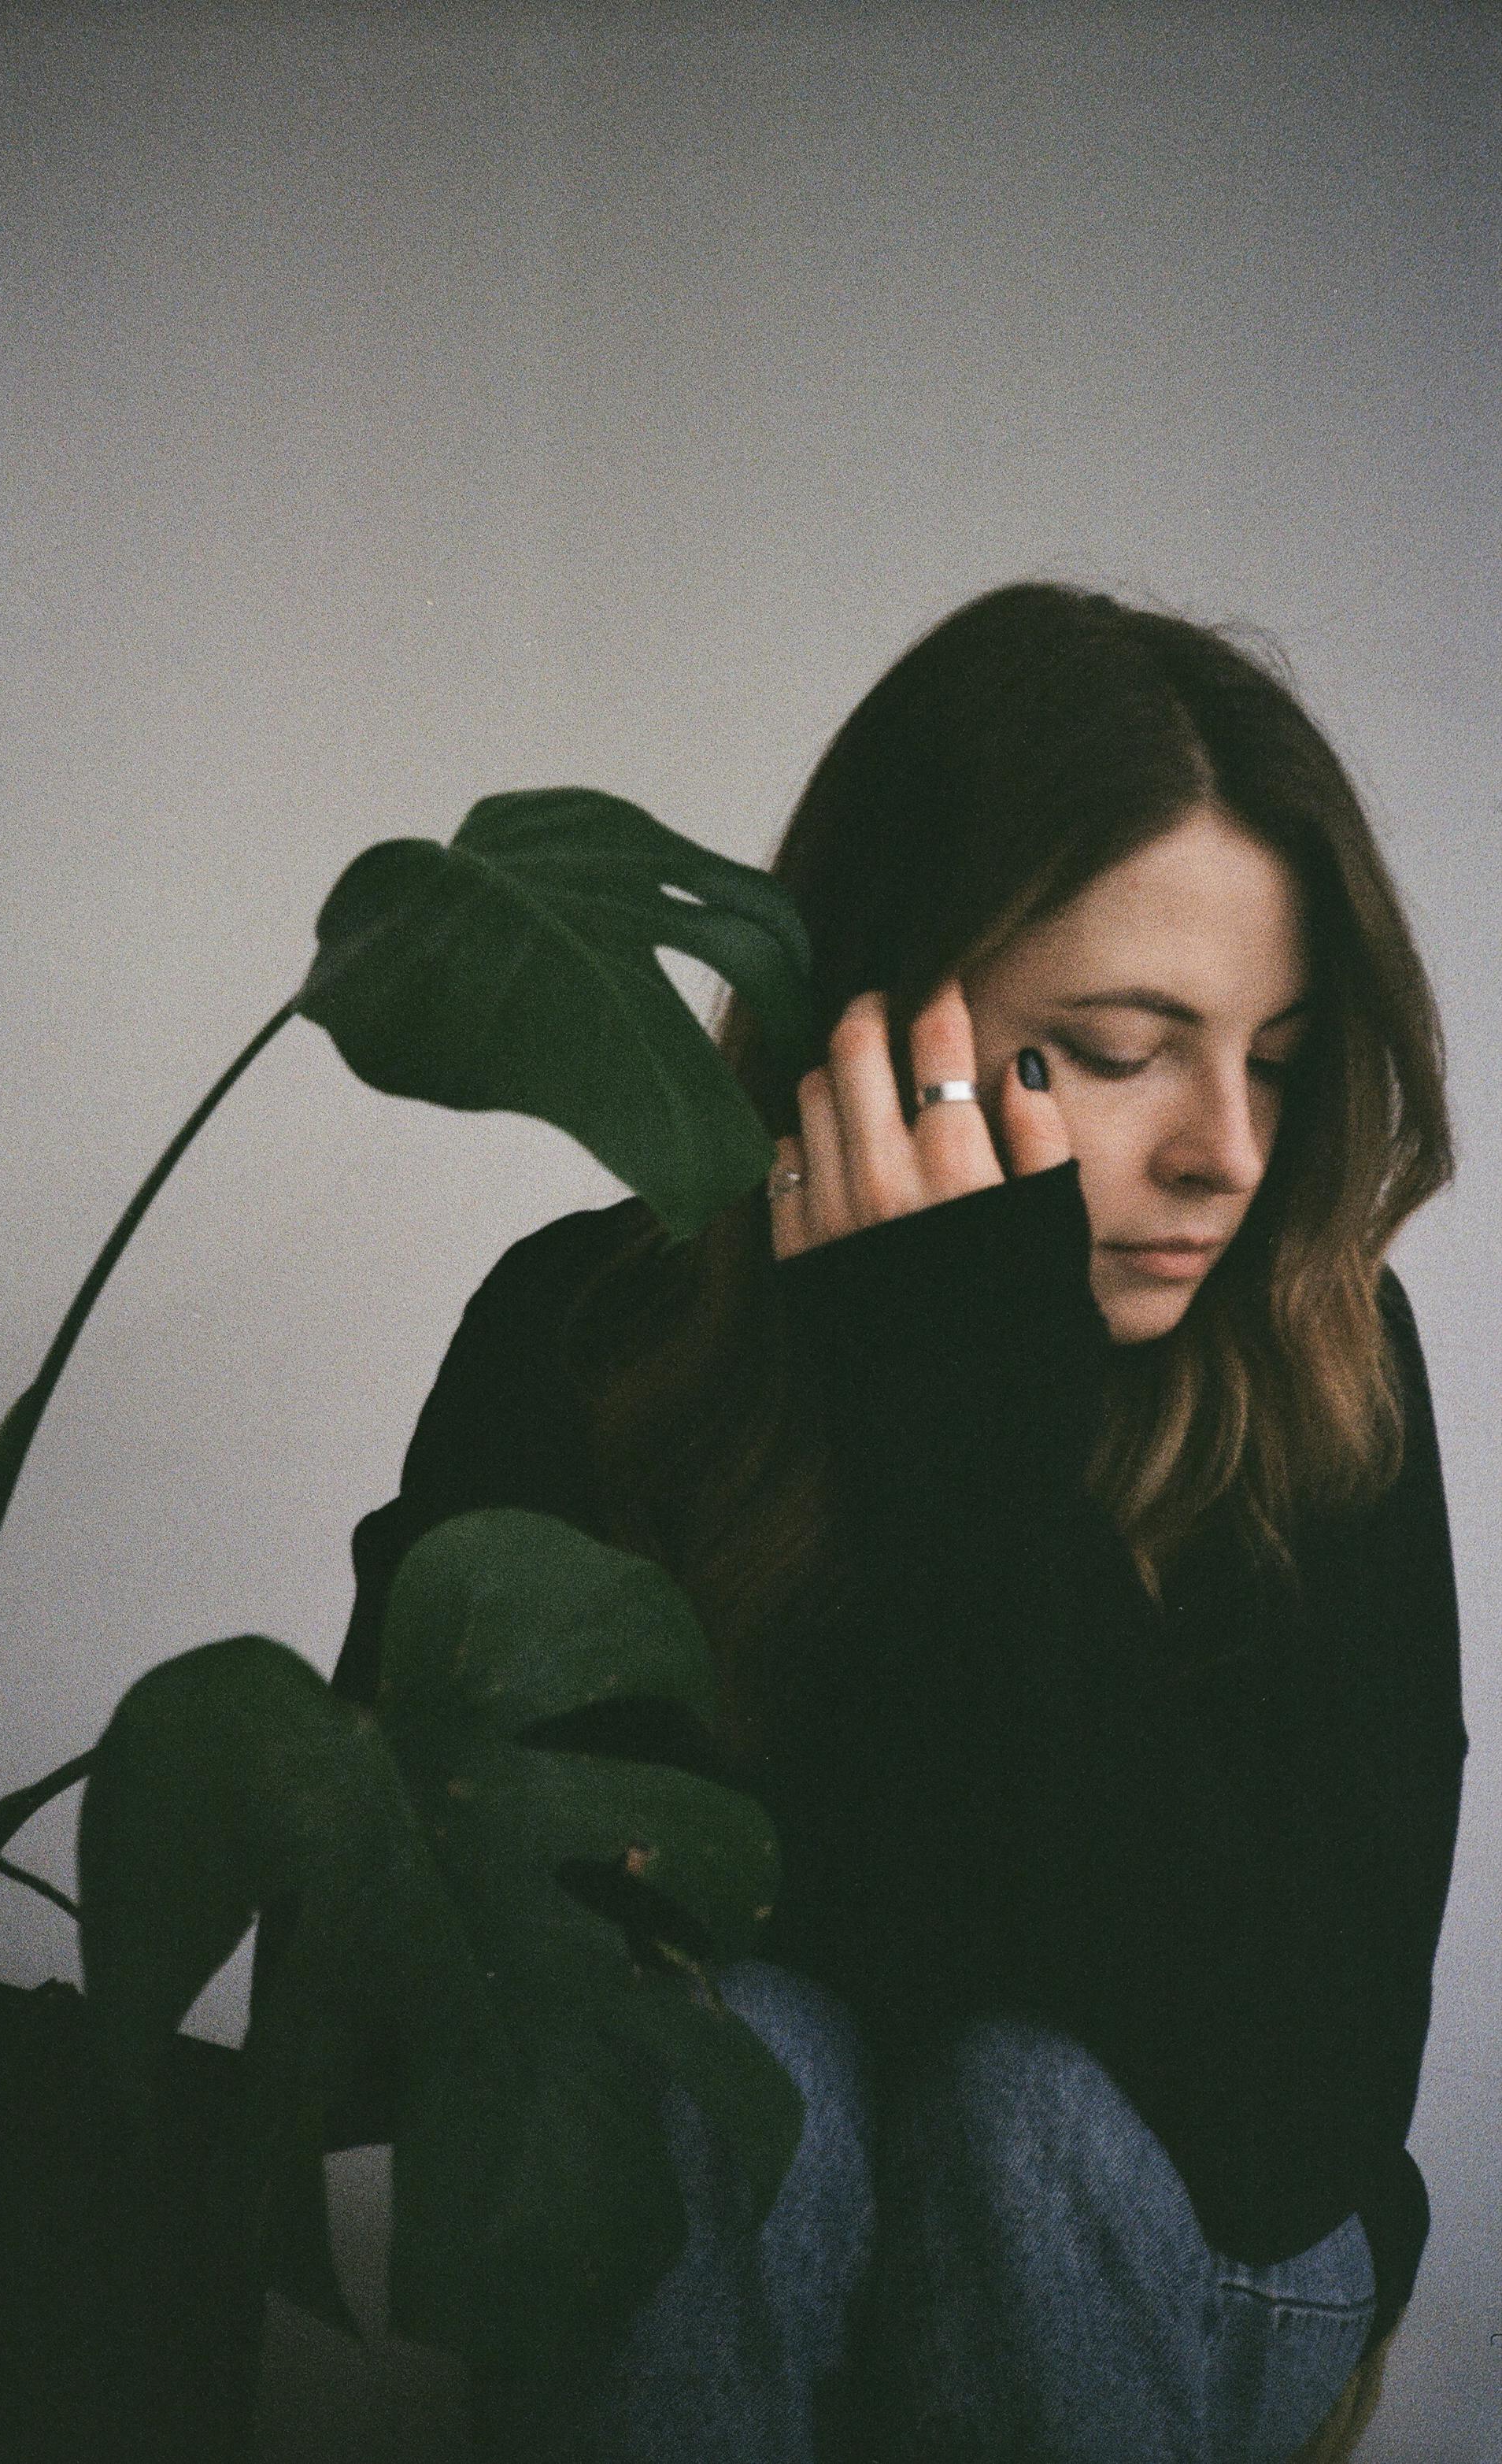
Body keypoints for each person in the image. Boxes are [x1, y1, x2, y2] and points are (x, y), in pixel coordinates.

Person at [331, 582, 1467, 2462]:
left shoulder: (1328, 1361)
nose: (1231, 1152)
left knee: (1030, 2113)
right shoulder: (584, 1327)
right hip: (749, 2214)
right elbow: (440, 1995)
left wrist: (986, 1461)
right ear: (864, 1032)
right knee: (740, 2062)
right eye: (1121, 1046)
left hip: (1191, 2241)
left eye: (1269, 1054)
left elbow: (1284, 2126)